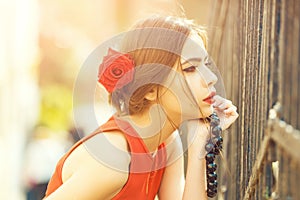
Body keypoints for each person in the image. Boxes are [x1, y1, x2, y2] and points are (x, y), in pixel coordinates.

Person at [43, 15, 238, 200]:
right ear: (149, 90)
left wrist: (199, 140)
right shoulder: (113, 160)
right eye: (190, 69)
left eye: (205, 65)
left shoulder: (166, 144)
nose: (211, 78)